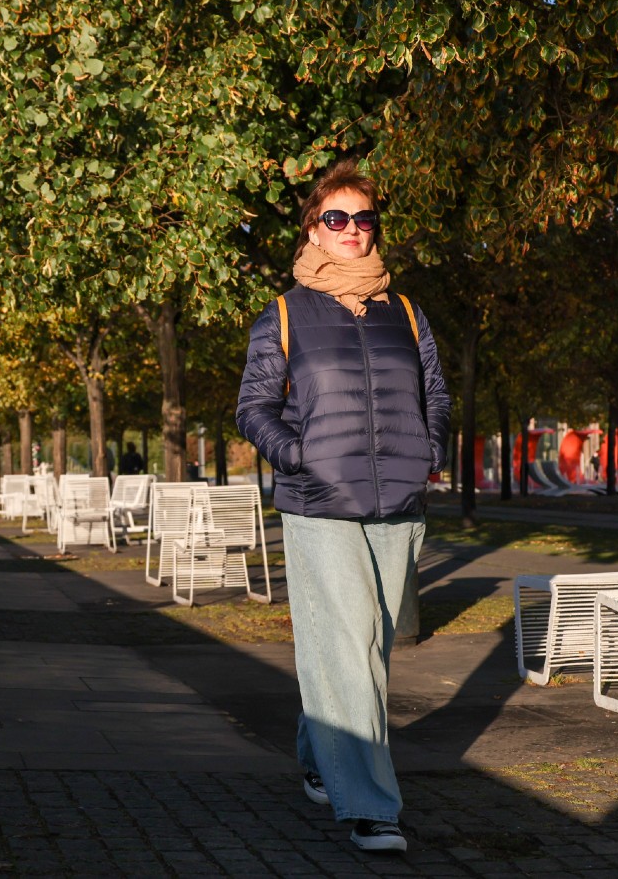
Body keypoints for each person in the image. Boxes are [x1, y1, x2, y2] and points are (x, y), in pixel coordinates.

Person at [235, 160, 450, 854]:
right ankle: (371, 808)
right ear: (313, 231)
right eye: (337, 218)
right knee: (350, 651)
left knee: (365, 648)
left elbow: (435, 393)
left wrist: (430, 449)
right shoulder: (285, 313)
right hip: (319, 501)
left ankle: (315, 757)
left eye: (363, 218)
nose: (352, 229)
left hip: (399, 501)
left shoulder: (406, 313)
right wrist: (299, 456)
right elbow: (253, 407)